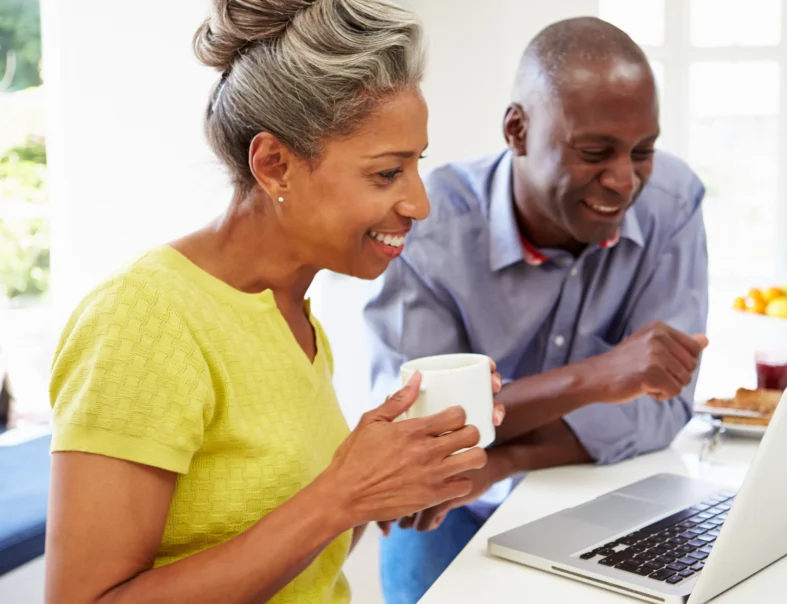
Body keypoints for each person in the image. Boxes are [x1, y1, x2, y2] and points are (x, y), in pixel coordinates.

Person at [44, 1, 503, 603]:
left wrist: (394, 488)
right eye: (387, 173)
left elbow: (290, 559)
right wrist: (342, 494)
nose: (420, 203)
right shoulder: (142, 320)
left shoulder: (294, 320)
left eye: (417, 164)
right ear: (275, 165)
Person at [365, 16, 710, 604]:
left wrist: (504, 458)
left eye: (643, 151)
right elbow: (420, 440)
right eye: (595, 151)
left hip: (592, 509)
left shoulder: (671, 203)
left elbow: (664, 408)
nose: (625, 180)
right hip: (448, 514)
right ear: (518, 130)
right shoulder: (429, 226)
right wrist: (597, 379)